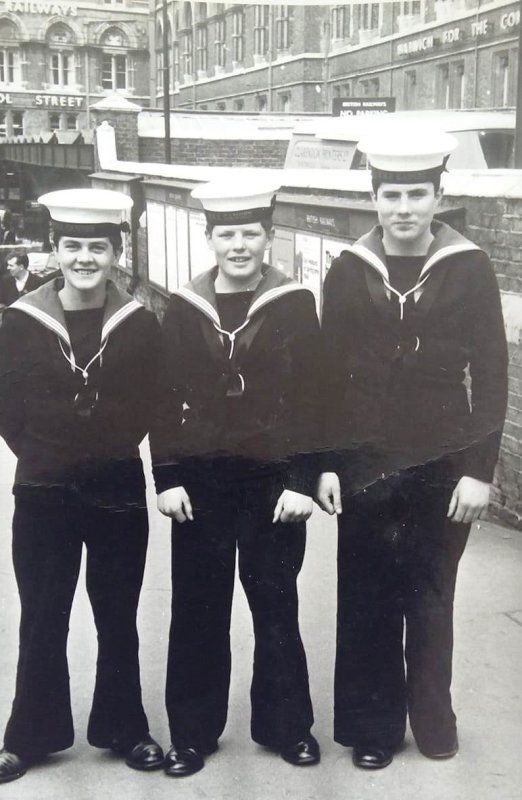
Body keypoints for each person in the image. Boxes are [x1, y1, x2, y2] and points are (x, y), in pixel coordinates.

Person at [316, 126, 508, 770]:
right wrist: (330, 466)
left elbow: (491, 373)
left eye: (416, 195)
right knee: (367, 596)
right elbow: (327, 377)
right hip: (367, 464)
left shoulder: (469, 267)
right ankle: (374, 728)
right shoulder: (347, 271)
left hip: (444, 463)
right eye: (391, 194)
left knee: (431, 594)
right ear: (374, 198)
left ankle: (432, 719)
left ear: (438, 197)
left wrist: (479, 471)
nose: (403, 208)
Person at [150, 178, 322, 777]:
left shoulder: (295, 304)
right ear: (210, 238)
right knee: (198, 606)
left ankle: (286, 727)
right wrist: (166, 475)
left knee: (275, 603)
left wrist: (303, 479)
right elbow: (164, 398)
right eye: (227, 234)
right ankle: (192, 734)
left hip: (273, 483)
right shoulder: (184, 305)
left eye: (251, 233)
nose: (240, 245)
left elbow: (313, 399)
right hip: (200, 482)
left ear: (269, 237)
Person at [0, 188, 165, 784]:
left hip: (116, 484)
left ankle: (125, 728)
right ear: (55, 250)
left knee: (117, 613)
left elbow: (152, 402)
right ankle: (30, 736)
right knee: (43, 613)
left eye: (98, 246)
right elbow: (7, 407)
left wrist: (106, 448)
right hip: (43, 487)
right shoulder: (21, 320)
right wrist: (46, 454)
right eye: (73, 246)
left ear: (117, 252)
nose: (85, 258)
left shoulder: (139, 322)